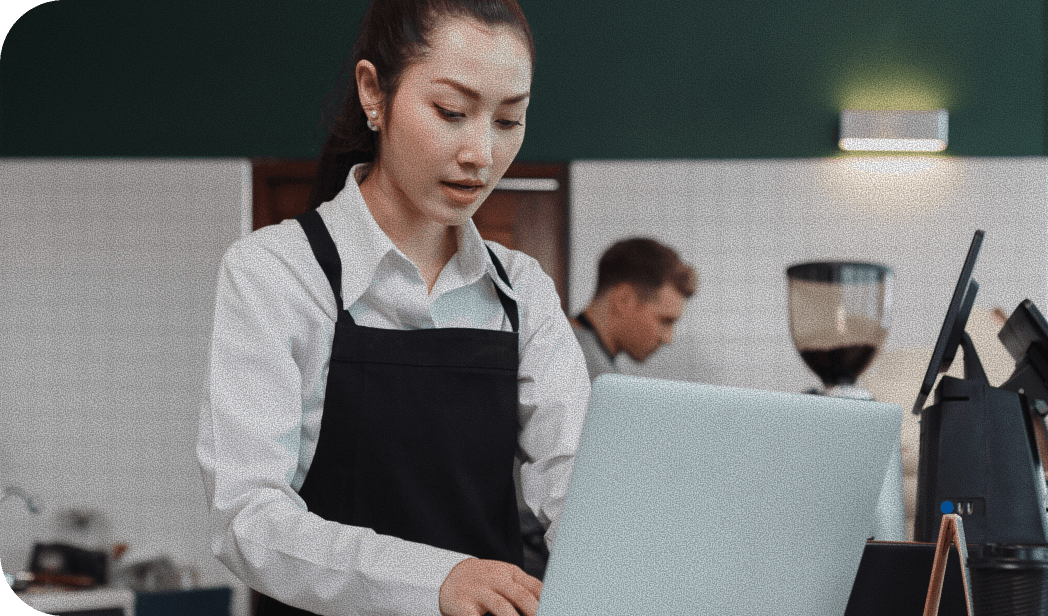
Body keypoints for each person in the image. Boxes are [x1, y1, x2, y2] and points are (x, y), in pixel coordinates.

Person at [195, 2, 590, 615]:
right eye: (451, 113)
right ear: (374, 93)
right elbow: (247, 519)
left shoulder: (524, 292)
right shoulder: (276, 273)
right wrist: (436, 582)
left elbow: (580, 492)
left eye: (509, 120)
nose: (481, 154)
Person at [570, 238, 697, 382]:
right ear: (623, 300)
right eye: (665, 321)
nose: (668, 338)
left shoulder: (574, 352)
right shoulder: (583, 371)